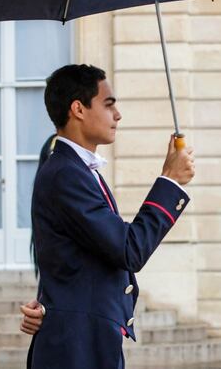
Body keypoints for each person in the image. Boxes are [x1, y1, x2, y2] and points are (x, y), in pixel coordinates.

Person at [25, 64, 194, 369]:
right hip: (77, 348)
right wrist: (169, 182)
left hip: (87, 339)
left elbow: (71, 255)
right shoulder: (67, 174)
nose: (117, 115)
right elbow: (129, 249)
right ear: (78, 109)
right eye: (108, 104)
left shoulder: (77, 170)